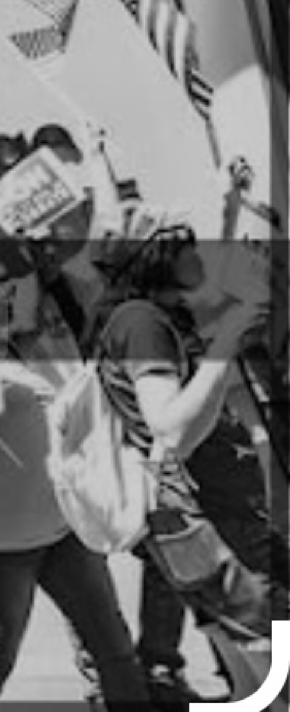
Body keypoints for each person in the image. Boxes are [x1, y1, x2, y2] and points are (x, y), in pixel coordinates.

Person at [0, 225, 150, 709]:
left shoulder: (56, 327)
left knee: (115, 650)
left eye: (17, 276)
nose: (7, 290)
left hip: (66, 528)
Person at [89, 208, 285, 695]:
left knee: (250, 683)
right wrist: (224, 345)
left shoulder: (157, 317)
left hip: (212, 517)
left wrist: (231, 202)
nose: (198, 254)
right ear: (157, 258)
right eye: (185, 247)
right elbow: (170, 429)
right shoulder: (140, 322)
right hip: (210, 521)